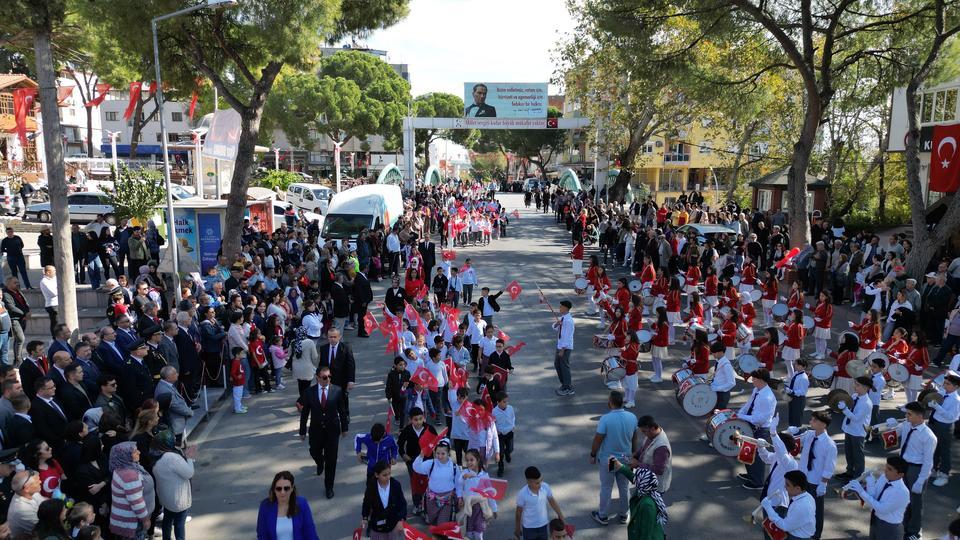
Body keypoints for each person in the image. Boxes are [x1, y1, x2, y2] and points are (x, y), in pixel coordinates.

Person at [299, 365, 349, 499]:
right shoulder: (309, 392)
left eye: (329, 377)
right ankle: (320, 462)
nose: (328, 379)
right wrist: (302, 430)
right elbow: (305, 413)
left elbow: (342, 411)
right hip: (316, 430)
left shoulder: (337, 390)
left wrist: (344, 427)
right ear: (317, 378)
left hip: (332, 430)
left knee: (331, 460)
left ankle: (329, 487)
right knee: (314, 451)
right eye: (324, 377)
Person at [890, 401, 936, 540]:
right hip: (902, 466)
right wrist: (889, 425)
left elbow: (928, 462)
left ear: (920, 416)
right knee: (902, 498)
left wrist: (920, 481)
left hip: (916, 470)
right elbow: (894, 433)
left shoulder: (929, 436)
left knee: (916, 503)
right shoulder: (906, 425)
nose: (906, 416)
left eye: (909, 414)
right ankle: (903, 524)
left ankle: (915, 531)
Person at [788, 410, 836, 539]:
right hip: (803, 477)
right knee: (798, 504)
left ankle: (815, 535)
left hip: (815, 482)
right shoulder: (809, 434)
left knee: (815, 510)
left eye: (814, 420)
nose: (810, 422)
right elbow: (797, 441)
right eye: (811, 419)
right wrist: (789, 434)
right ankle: (798, 527)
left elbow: (829, 467)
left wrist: (823, 483)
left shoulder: (830, 444)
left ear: (823, 424)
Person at [590, 390, 635, 526]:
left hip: (610, 460)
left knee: (606, 487)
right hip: (626, 458)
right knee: (624, 487)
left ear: (610, 403)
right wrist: (634, 455)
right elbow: (635, 437)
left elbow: (598, 439)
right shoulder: (632, 417)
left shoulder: (605, 419)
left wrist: (593, 454)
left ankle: (603, 516)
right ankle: (624, 514)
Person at [842, 456, 910, 540]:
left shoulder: (902, 492)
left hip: (890, 527)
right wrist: (870, 482)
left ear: (900, 474)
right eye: (886, 467)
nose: (885, 470)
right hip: (875, 519)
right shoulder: (884, 477)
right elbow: (874, 496)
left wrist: (861, 492)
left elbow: (882, 509)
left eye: (890, 469)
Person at [152, 428, 196, 540]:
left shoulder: (155, 454)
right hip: (177, 499)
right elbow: (189, 473)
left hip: (166, 497)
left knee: (167, 519)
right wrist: (190, 457)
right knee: (179, 524)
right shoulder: (172, 458)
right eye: (173, 439)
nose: (175, 439)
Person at [738, 368, 778, 490]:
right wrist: (740, 413)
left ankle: (758, 482)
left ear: (761, 380)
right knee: (747, 451)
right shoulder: (757, 390)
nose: (752, 380)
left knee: (757, 456)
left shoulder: (767, 397)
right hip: (752, 425)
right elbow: (749, 404)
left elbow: (759, 419)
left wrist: (741, 416)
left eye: (754, 379)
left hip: (761, 429)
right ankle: (751, 475)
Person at [108, 442, 155, 539]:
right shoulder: (130, 475)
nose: (139, 452)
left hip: (124, 520)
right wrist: (145, 519)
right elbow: (137, 502)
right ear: (125, 456)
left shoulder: (120, 468)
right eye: (134, 452)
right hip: (132, 523)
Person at [255, 471, 319, 540]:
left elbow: (310, 532)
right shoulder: (265, 506)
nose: (282, 492)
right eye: (279, 488)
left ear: (292, 488)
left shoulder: (302, 503)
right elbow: (262, 534)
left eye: (286, 488)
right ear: (274, 489)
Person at [411, 438, 460, 525]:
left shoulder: (454, 467)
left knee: (442, 523)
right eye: (437, 453)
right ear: (434, 452)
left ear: (448, 453)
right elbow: (416, 468)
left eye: (443, 453)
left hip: (447, 500)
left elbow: (458, 484)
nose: (440, 456)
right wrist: (420, 456)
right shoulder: (431, 463)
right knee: (432, 521)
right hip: (431, 499)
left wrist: (460, 498)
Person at [760, 470, 816, 539]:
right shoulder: (808, 497)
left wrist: (768, 507)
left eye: (788, 485)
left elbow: (785, 526)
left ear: (798, 488)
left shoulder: (800, 506)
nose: (785, 487)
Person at [838, 376, 874, 481]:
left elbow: (856, 418)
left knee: (858, 455)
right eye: (855, 384)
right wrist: (844, 405)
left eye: (857, 385)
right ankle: (849, 472)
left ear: (866, 387)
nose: (855, 386)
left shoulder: (867, 403)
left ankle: (858, 476)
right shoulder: (854, 396)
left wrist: (844, 409)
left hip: (858, 432)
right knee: (849, 453)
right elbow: (850, 408)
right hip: (849, 429)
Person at [360, 461, 407, 539]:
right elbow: (366, 504)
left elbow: (402, 503)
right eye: (384, 475)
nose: (388, 477)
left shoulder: (395, 485)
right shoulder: (371, 487)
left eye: (389, 473)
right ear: (376, 475)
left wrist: (400, 519)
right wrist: (365, 517)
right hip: (377, 527)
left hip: (393, 524)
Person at [514, 466, 564, 540]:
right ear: (529, 482)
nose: (540, 484)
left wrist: (560, 515)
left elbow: (552, 501)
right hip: (529, 528)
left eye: (541, 480)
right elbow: (518, 512)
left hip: (543, 526)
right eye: (537, 483)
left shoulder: (545, 487)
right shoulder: (522, 494)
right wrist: (517, 528)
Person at [930, 374, 960, 486]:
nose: (945, 385)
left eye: (948, 384)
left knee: (944, 450)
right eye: (945, 383)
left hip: (945, 426)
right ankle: (934, 468)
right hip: (935, 422)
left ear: (956, 387)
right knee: (934, 447)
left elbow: (952, 417)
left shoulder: (956, 400)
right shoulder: (943, 393)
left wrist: (937, 407)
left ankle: (944, 474)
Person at [632, 415, 672, 494]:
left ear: (653, 429)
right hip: (646, 480)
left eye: (644, 431)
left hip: (655, 487)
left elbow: (658, 470)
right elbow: (643, 448)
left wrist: (638, 464)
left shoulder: (661, 447)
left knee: (649, 505)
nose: (643, 434)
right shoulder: (651, 434)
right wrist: (635, 455)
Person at [154, 366, 193, 446]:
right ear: (169, 377)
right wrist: (189, 412)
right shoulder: (164, 389)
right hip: (173, 423)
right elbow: (175, 406)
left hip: (176, 422)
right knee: (176, 445)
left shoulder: (167, 384)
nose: (177, 374)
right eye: (175, 373)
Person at [7, 470, 44, 537]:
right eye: (37, 482)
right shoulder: (22, 509)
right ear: (27, 489)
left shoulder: (31, 492)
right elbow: (43, 528)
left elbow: (44, 503)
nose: (40, 482)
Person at [552, 300, 575, 396]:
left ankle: (568, 387)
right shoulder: (562, 318)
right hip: (560, 345)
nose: (559, 308)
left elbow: (568, 336)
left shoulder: (568, 321)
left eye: (561, 306)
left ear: (566, 308)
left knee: (564, 366)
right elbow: (554, 327)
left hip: (565, 348)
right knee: (557, 364)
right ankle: (564, 384)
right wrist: (557, 324)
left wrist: (562, 349)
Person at [491, 392, 515, 478]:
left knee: (509, 448)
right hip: (500, 434)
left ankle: (507, 454)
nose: (506, 403)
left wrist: (513, 426)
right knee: (500, 452)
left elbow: (513, 417)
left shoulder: (510, 408)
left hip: (509, 432)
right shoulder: (494, 411)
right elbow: (493, 422)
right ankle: (501, 468)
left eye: (507, 401)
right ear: (498, 402)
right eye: (504, 402)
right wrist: (496, 430)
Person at [709, 341, 735, 410]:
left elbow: (732, 383)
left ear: (720, 352)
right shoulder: (719, 362)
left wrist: (716, 388)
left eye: (714, 352)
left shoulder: (726, 365)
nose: (713, 354)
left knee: (719, 414)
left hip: (722, 394)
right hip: (717, 392)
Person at [784, 358, 810, 428]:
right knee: (791, 415)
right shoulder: (796, 373)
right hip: (792, 397)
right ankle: (791, 430)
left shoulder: (804, 378)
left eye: (798, 365)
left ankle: (797, 433)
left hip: (799, 399)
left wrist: (791, 391)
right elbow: (792, 383)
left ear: (804, 367)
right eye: (796, 364)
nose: (796, 366)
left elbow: (803, 391)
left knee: (797, 417)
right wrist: (786, 384)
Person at [39, 266, 58, 338]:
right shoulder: (44, 281)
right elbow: (54, 293)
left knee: (58, 323)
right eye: (54, 271)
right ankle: (55, 338)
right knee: (55, 323)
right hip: (52, 305)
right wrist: (57, 287)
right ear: (48, 272)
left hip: (57, 303)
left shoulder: (54, 278)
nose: (55, 272)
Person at [229, 347, 248, 415]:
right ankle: (237, 409)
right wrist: (237, 377)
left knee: (239, 396)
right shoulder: (235, 362)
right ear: (237, 355)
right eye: (241, 353)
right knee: (237, 396)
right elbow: (232, 373)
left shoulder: (237, 361)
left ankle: (239, 406)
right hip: (237, 383)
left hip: (240, 382)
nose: (243, 354)